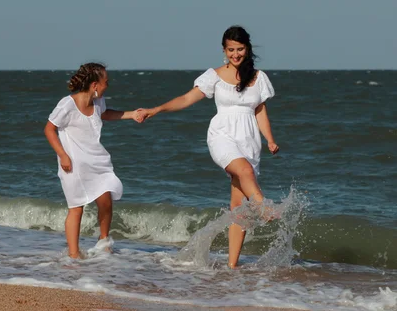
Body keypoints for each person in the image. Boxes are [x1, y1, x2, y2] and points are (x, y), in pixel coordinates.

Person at [138, 26, 280, 268]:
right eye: (231, 50)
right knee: (244, 171)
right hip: (222, 135)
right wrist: (157, 109)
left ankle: (232, 266)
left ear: (248, 49)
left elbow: (259, 110)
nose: (236, 54)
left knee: (239, 208)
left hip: (249, 140)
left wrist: (269, 139)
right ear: (224, 50)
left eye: (240, 49)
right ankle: (266, 210)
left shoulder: (259, 78)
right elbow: (185, 98)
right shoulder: (213, 76)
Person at [44, 62, 141, 259]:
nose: (108, 85)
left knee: (106, 198)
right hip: (72, 163)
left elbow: (104, 114)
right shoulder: (67, 104)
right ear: (95, 85)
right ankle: (73, 254)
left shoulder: (98, 102)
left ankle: (103, 241)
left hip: (96, 160)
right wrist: (63, 155)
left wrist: (132, 115)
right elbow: (49, 129)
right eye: (106, 81)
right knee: (76, 207)